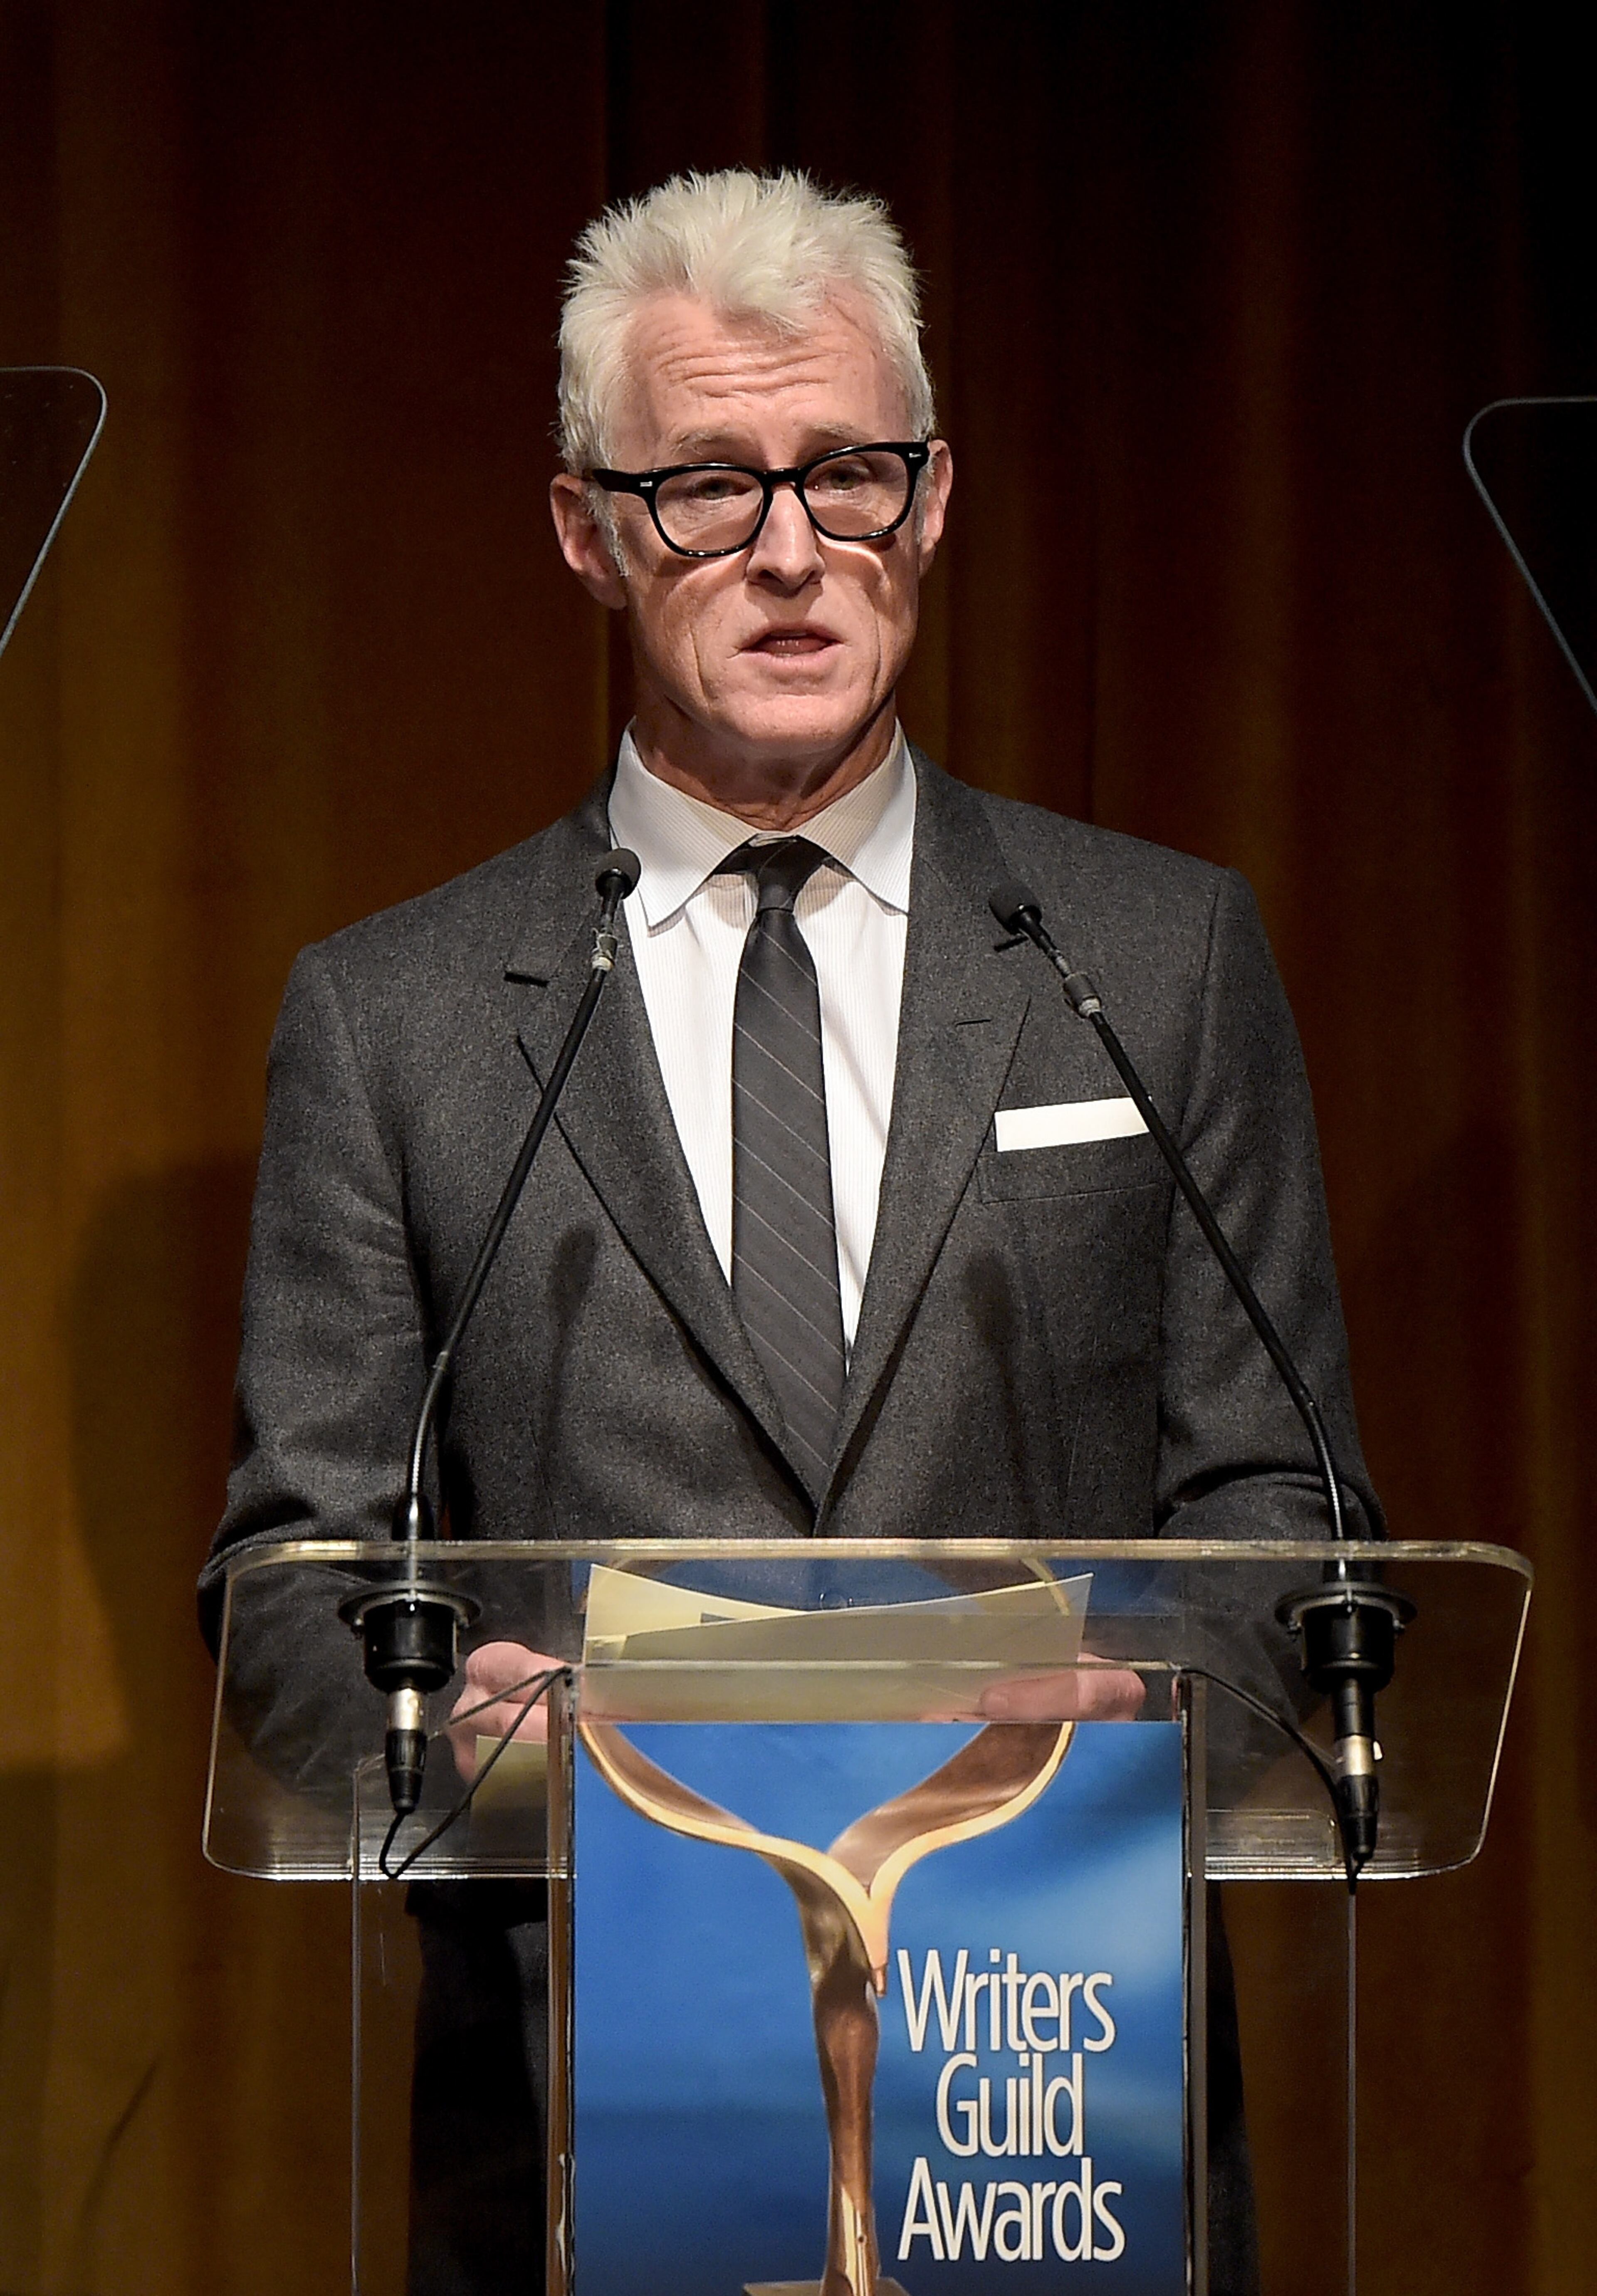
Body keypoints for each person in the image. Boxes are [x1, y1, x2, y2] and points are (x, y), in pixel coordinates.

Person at [204, 170, 1379, 2296]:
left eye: (846, 474)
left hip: (1058, 2070)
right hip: (586, 2111)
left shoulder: (1153, 956)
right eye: (705, 489)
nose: (788, 554)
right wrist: (456, 1731)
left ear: (931, 502)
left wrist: (1125, 1695)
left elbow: (1288, 1512)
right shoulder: (391, 1026)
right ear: (583, 528)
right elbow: (294, 1583)